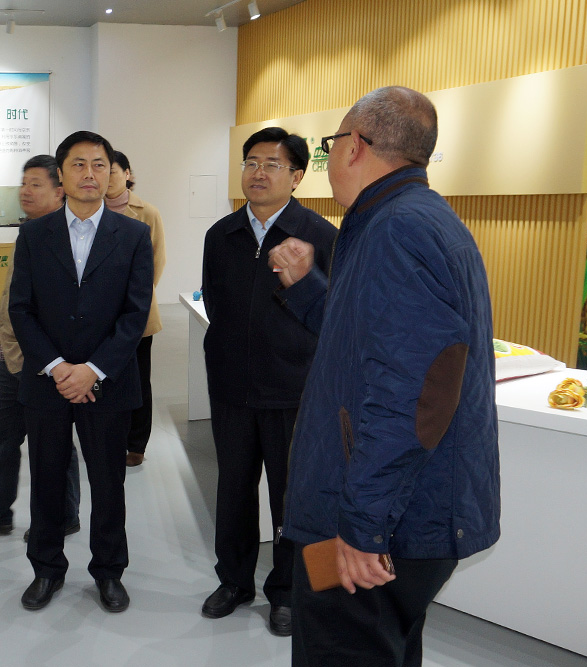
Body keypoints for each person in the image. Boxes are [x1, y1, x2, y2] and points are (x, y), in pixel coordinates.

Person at [269, 86, 499, 666]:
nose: (328, 160)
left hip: (372, 524)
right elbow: (368, 341)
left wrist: (362, 527)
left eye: (330, 145)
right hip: (387, 512)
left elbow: (414, 394)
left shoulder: (397, 230)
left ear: (355, 146)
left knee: (342, 648)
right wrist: (308, 290)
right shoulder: (405, 219)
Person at [200, 127, 337, 636]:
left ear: (297, 176)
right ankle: (234, 581)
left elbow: (331, 315)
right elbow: (215, 303)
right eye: (251, 162)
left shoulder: (319, 236)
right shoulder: (221, 235)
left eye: (272, 164)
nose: (258, 173)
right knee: (233, 490)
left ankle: (286, 592)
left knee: (288, 496)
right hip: (232, 388)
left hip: (291, 391)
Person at [9, 131, 153, 613]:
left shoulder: (133, 235)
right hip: (47, 382)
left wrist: (92, 369)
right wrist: (57, 368)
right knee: (47, 480)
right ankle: (46, 569)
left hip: (107, 383)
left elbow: (134, 314)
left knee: (109, 484)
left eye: (99, 164)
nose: (90, 174)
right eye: (78, 164)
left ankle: (109, 572)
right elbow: (21, 308)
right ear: (62, 174)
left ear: (112, 172)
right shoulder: (34, 235)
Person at [0, 155, 82, 538]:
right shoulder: (30, 232)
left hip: (46, 363)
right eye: (24, 182)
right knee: (2, 436)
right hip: (10, 357)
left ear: (60, 192)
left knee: (55, 442)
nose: (25, 191)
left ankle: (64, 514)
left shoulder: (67, 239)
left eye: (36, 184)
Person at [104, 150, 166, 467]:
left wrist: (135, 299)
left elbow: (157, 261)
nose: (106, 177)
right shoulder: (90, 209)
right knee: (104, 377)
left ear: (127, 174)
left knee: (139, 379)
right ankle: (107, 436)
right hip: (100, 315)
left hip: (138, 314)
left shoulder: (147, 212)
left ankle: (136, 443)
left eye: (112, 171)